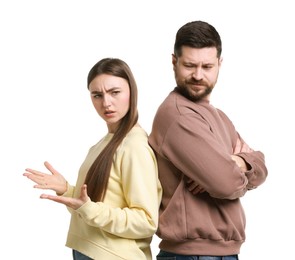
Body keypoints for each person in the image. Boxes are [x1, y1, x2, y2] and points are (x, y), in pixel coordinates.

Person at [148, 20, 268, 260]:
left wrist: (238, 162)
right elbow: (226, 184)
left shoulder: (218, 116)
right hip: (192, 255)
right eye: (190, 65)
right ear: (174, 62)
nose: (198, 75)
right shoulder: (179, 115)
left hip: (220, 254)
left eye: (207, 66)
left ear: (219, 64)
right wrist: (226, 171)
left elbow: (262, 168)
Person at [23, 58, 162, 260]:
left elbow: (145, 221)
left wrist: (87, 208)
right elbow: (92, 206)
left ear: (132, 91)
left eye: (115, 92)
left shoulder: (134, 146)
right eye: (97, 95)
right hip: (89, 251)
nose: (106, 103)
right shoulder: (103, 144)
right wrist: (66, 190)